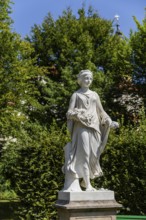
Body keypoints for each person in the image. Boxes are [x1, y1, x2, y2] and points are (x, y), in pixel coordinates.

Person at [62, 70, 118, 192]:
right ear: (80, 80)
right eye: (86, 78)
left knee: (94, 155)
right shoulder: (76, 95)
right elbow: (69, 113)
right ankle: (88, 185)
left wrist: (109, 120)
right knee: (85, 154)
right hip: (81, 127)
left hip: (95, 128)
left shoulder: (94, 95)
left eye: (90, 78)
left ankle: (85, 181)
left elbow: (101, 111)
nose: (88, 81)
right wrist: (78, 115)